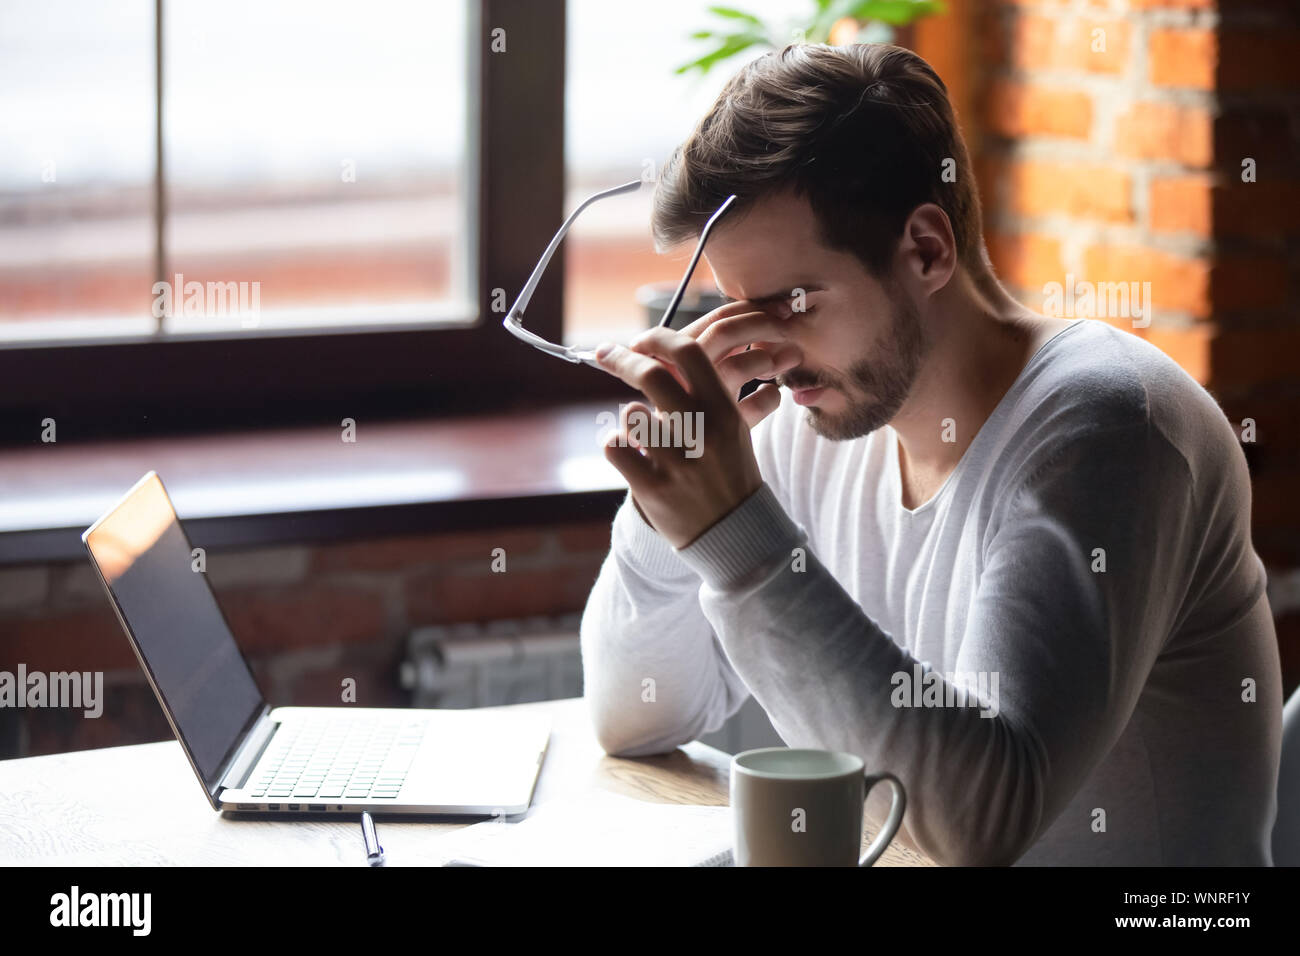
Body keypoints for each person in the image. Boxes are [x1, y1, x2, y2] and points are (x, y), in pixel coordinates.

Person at [578, 42, 1282, 865]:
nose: (763, 348)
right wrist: (669, 507)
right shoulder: (815, 421)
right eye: (735, 308)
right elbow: (638, 717)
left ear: (925, 250)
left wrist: (739, 541)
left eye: (788, 303)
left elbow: (979, 826)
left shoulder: (1112, 431)